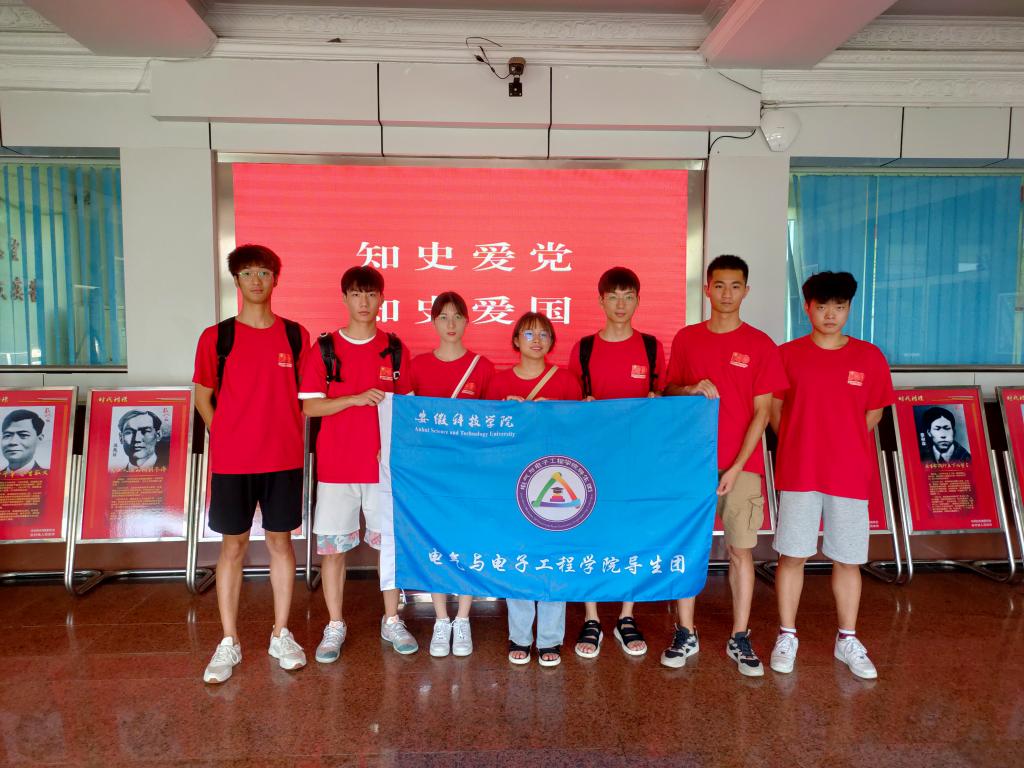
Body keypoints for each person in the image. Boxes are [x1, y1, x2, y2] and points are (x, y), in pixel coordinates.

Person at [663, 254, 788, 676]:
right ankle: (686, 631)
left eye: (735, 286)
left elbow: (762, 413)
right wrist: (690, 388)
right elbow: (668, 391)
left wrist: (736, 466)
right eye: (719, 285)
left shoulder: (760, 345)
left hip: (742, 466)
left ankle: (740, 636)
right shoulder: (687, 338)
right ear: (707, 289)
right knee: (688, 547)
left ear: (746, 291)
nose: (727, 294)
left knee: (740, 550)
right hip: (690, 465)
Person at [193, 244, 311, 684]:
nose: (256, 280)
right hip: (233, 462)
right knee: (233, 547)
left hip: (283, 458)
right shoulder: (216, 337)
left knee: (281, 543)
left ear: (276, 279)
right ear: (236, 281)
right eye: (247, 273)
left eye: (264, 272)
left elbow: (308, 397)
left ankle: (281, 633)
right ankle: (229, 640)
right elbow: (202, 397)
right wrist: (224, 433)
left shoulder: (295, 336)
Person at [769, 270, 894, 681]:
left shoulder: (869, 357)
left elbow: (873, 412)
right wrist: (799, 441)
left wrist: (842, 443)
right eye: (821, 306)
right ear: (807, 308)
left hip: (849, 473)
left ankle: (847, 639)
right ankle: (787, 634)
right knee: (793, 555)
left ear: (849, 309)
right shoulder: (787, 355)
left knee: (848, 558)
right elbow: (774, 410)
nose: (830, 315)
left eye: (839, 307)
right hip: (800, 470)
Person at [300, 265, 415, 663]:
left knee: (389, 549)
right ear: (344, 298)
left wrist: (393, 448)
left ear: (381, 298)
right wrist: (352, 398)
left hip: (382, 470)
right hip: (337, 468)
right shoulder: (325, 348)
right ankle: (335, 624)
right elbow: (310, 407)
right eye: (356, 294)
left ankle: (392, 619)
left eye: (371, 294)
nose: (364, 302)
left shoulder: (394, 348)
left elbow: (406, 411)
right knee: (334, 550)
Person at [567, 266, 665, 659]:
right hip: (591, 462)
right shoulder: (584, 349)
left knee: (633, 535)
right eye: (613, 297)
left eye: (628, 297)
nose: (621, 305)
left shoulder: (652, 347)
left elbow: (665, 402)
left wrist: (658, 403)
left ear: (638, 301)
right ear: (601, 301)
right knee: (589, 533)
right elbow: (569, 408)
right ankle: (591, 617)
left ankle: (626, 616)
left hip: (636, 462)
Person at [486, 311, 581, 666]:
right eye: (528, 334)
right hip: (513, 483)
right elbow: (486, 437)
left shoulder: (567, 382)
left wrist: (556, 413)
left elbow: (582, 432)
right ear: (515, 341)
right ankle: (520, 636)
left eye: (543, 334)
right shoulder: (498, 383)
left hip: (557, 482)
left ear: (552, 341)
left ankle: (551, 639)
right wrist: (508, 414)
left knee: (555, 557)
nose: (536, 340)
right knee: (520, 557)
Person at [408, 291, 495, 658]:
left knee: (466, 542)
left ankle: (463, 619)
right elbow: (407, 421)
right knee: (435, 543)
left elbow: (493, 423)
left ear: (467, 322)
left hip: (469, 474)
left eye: (458, 316)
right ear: (433, 322)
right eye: (443, 317)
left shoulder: (482, 367)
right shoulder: (417, 366)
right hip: (430, 475)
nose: (451, 324)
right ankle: (441, 619)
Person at [1, 409, 47, 474]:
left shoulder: (47, 475)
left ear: (39, 439)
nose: (13, 442)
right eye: (7, 435)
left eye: (23, 435)